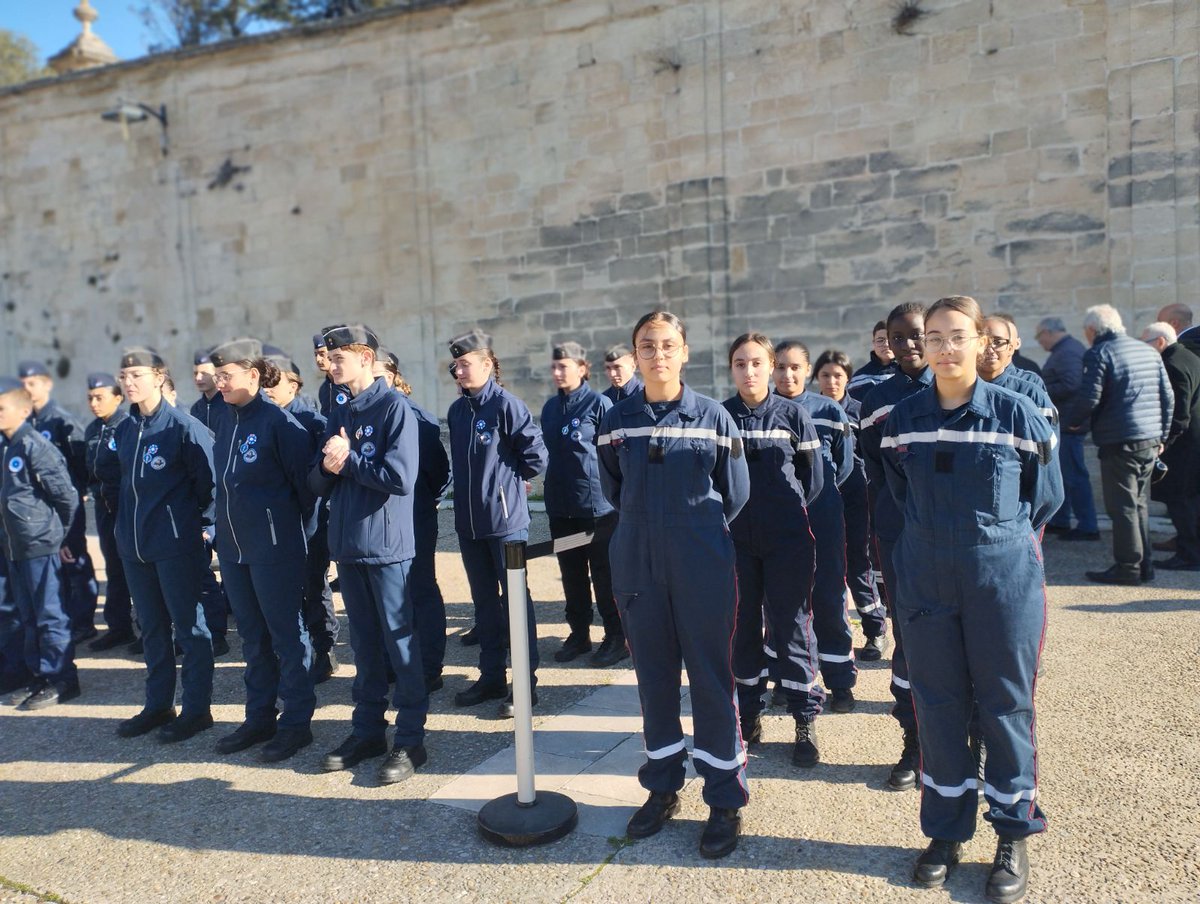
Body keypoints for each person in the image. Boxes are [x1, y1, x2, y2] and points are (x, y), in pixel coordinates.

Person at [881, 294, 1062, 904]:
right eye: (934, 337)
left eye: (957, 335)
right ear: (922, 346)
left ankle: (1012, 833)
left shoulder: (1019, 413)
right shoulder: (902, 419)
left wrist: (996, 543)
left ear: (982, 341)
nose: (944, 346)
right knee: (938, 706)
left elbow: (1046, 497)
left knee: (1006, 706)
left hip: (1001, 580)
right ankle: (946, 831)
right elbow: (898, 490)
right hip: (927, 578)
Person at [597, 311, 750, 859]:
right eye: (646, 346)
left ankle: (725, 797)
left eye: (667, 345)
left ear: (685, 351)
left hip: (701, 557)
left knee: (712, 677)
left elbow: (735, 494)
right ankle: (662, 787)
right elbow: (614, 487)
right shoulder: (615, 419)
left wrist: (692, 532)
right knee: (653, 678)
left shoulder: (713, 417)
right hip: (638, 557)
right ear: (635, 355)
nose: (657, 355)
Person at [310, 324, 429, 783]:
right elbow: (317, 481)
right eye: (330, 357)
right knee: (363, 646)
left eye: (339, 357)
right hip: (349, 545)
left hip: (386, 548)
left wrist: (350, 459)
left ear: (365, 358)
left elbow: (401, 477)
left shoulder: (394, 407)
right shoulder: (339, 408)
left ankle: (411, 740)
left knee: (400, 646)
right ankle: (367, 730)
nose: (331, 364)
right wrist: (328, 463)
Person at [208, 338, 317, 762]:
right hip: (234, 549)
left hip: (276, 548)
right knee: (252, 638)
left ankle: (296, 723)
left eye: (226, 376)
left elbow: (306, 491)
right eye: (217, 376)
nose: (219, 383)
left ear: (253, 376)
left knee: (287, 636)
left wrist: (288, 536)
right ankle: (259, 717)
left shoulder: (278, 423)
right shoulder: (225, 418)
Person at [723, 333, 824, 767]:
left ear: (771, 366)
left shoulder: (793, 415)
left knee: (792, 626)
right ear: (732, 369)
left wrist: (789, 512)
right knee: (741, 626)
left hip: (787, 538)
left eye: (757, 364)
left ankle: (804, 717)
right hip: (737, 542)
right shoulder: (719, 417)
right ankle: (748, 714)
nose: (750, 372)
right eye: (741, 364)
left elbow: (814, 479)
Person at [112, 347, 217, 743]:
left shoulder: (183, 428)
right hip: (136, 548)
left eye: (137, 374)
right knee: (152, 629)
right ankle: (158, 705)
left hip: (176, 546)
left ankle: (197, 709)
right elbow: (118, 484)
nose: (129, 382)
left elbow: (210, 488)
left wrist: (204, 529)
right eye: (124, 376)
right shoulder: (125, 429)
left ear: (159, 376)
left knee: (190, 629)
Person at [447, 329, 547, 716]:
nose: (460, 371)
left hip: (505, 523)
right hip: (470, 525)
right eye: (456, 366)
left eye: (467, 364)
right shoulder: (458, 411)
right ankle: (491, 676)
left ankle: (526, 684)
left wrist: (508, 484)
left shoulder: (507, 406)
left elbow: (536, 457)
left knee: (516, 604)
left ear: (488, 365)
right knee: (484, 604)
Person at [859, 302, 933, 791]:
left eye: (917, 335)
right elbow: (874, 466)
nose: (908, 344)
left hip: (949, 536)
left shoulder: (953, 388)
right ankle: (913, 741)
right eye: (898, 336)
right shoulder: (877, 400)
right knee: (907, 639)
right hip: (899, 533)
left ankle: (968, 742)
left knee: (956, 640)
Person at [772, 341, 859, 713]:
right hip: (778, 522)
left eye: (795, 367)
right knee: (783, 605)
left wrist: (820, 498)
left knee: (828, 597)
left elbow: (844, 465)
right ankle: (787, 678)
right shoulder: (761, 411)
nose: (788, 375)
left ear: (807, 370)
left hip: (823, 516)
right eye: (781, 367)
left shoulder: (828, 410)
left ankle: (839, 679)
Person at [1065, 305, 1173, 586]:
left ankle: (1128, 567)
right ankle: (1144, 565)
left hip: (1120, 441)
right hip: (1149, 440)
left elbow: (1089, 397)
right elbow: (1167, 396)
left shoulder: (1100, 352)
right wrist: (1162, 436)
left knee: (1123, 507)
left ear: (1092, 330)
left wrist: (1070, 423)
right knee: (1138, 504)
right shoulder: (1148, 351)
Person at [540, 341, 626, 668]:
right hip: (563, 509)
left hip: (598, 509)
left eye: (565, 366)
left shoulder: (599, 405)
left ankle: (616, 636)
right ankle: (579, 633)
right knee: (571, 572)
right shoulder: (550, 408)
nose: (558, 372)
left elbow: (616, 455)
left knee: (604, 575)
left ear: (582, 368)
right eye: (555, 367)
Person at [0, 377, 81, 709]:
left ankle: (62, 678)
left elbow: (67, 498)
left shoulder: (35, 446)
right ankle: (38, 675)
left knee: (50, 614)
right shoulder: (7, 446)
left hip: (39, 545)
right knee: (26, 614)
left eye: (1, 408)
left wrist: (57, 536)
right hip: (14, 546)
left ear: (23, 410)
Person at [375, 347, 452, 692]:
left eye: (377, 376)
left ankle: (430, 665)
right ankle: (397, 661)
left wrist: (424, 501)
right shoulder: (363, 413)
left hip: (414, 513)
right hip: (381, 520)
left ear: (392, 376)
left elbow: (438, 471)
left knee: (420, 589)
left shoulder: (416, 417)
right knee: (391, 596)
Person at [261, 347, 338, 683]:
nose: (266, 390)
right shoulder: (261, 421)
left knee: (314, 586)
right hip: (277, 524)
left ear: (293, 385)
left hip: (310, 521)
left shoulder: (311, 422)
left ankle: (325, 650)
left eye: (272, 383)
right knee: (286, 591)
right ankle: (297, 650)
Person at [812, 349, 888, 659]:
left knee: (858, 562)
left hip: (857, 494)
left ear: (848, 378)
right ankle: (823, 632)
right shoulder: (807, 410)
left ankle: (874, 628)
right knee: (819, 566)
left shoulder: (860, 410)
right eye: (825, 375)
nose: (831, 382)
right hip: (819, 498)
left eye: (838, 376)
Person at [17, 361, 97, 645]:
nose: (28, 389)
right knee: (58, 565)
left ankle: (85, 621)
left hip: (67, 500)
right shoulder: (28, 421)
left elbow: (78, 457)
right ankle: (68, 617)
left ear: (47, 384)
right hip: (43, 507)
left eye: (33, 383)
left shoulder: (60, 420)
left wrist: (82, 487)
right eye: (23, 384)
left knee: (75, 560)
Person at [83, 373, 136, 651]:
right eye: (90, 397)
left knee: (135, 569)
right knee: (114, 569)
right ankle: (119, 628)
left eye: (100, 397)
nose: (94, 403)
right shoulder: (92, 429)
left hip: (126, 508)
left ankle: (148, 627)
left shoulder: (127, 426)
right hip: (104, 510)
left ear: (118, 398)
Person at [1142, 322, 1200, 570]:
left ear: (1161, 342)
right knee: (1190, 498)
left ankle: (1189, 554)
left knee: (1179, 499)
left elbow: (1180, 411)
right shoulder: (1189, 356)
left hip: (1184, 442)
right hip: (1193, 439)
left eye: (1147, 343)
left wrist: (1165, 441)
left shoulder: (1172, 363)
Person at [1036, 317, 1099, 541]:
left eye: (1039, 336)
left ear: (1048, 332)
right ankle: (1061, 521)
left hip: (1071, 424)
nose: (1039, 341)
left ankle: (1087, 526)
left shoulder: (1068, 351)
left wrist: (1039, 391)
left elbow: (1072, 383)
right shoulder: (1065, 350)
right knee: (1064, 474)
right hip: (1068, 422)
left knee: (1074, 475)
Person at [847, 321, 897, 402]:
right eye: (880, 340)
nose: (886, 344)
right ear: (873, 343)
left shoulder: (908, 373)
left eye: (891, 339)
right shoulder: (858, 379)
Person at [189, 350, 227, 431]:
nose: (198, 378)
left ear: (216, 374)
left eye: (204, 373)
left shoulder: (229, 405)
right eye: (195, 373)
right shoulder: (196, 409)